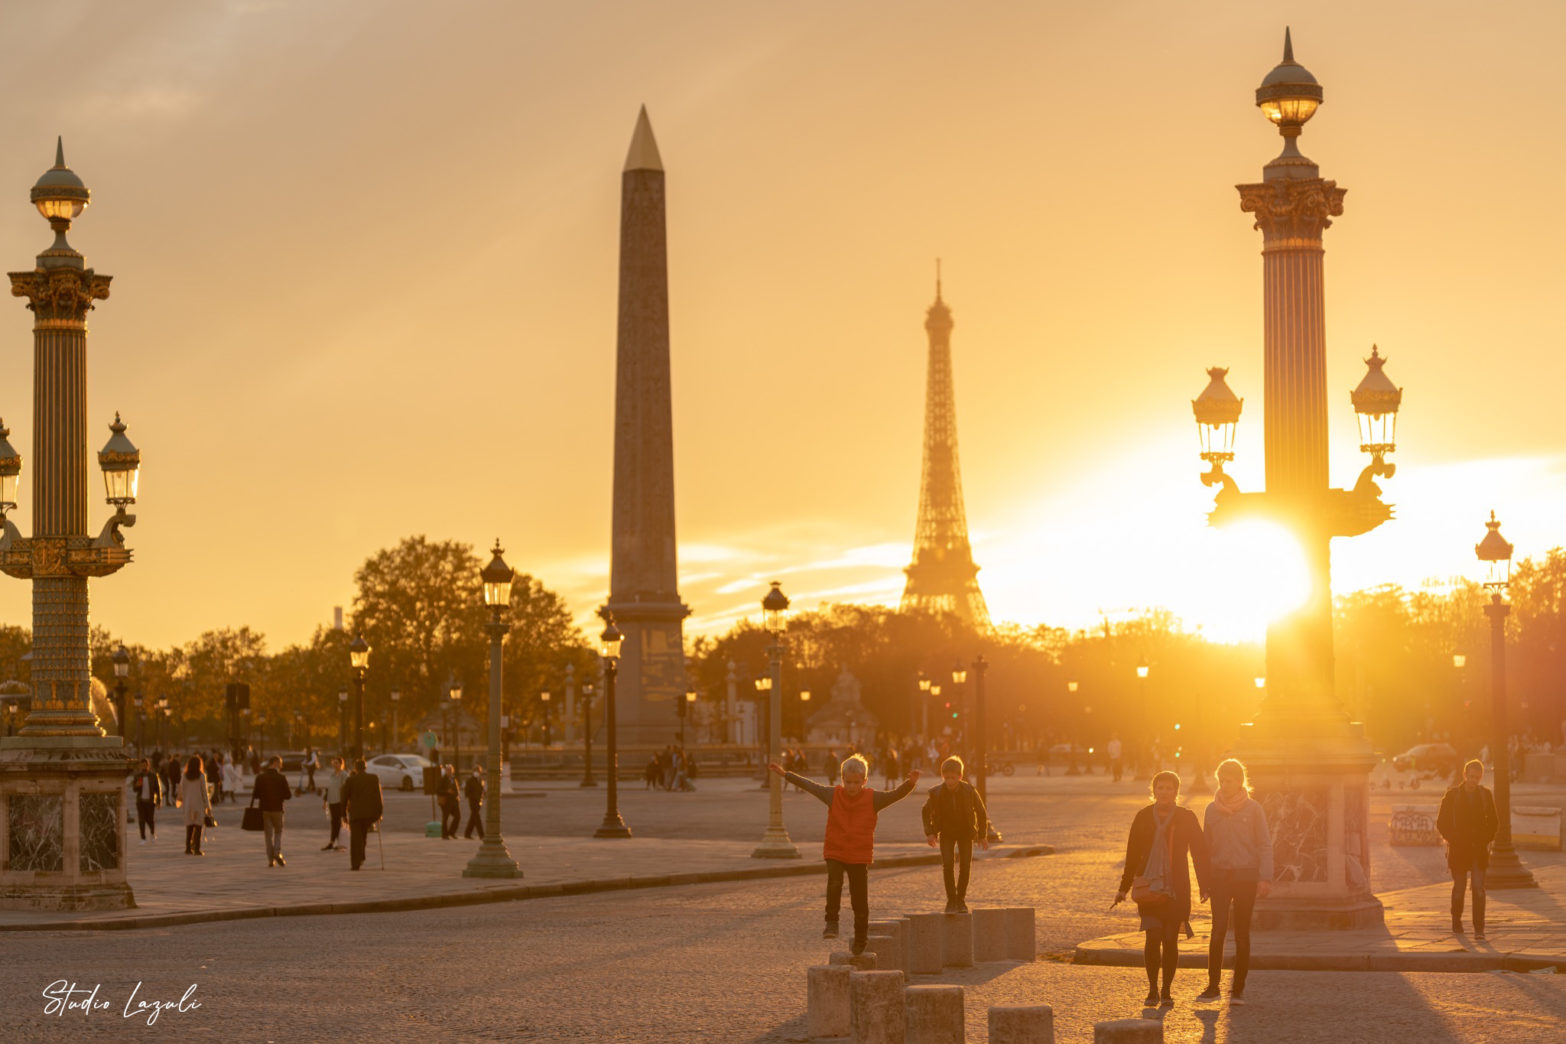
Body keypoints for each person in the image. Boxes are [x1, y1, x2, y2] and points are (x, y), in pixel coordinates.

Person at [770, 754, 920, 955]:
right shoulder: (833, 794)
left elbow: (894, 795)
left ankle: (861, 939)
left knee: (859, 899)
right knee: (834, 882)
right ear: (842, 780)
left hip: (859, 855)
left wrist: (909, 784)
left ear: (864, 781)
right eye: (847, 782)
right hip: (835, 850)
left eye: (856, 783)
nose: (851, 787)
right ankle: (831, 922)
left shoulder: (873, 798)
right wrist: (785, 774)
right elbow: (810, 786)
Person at [1116, 769, 1209, 1009]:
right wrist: (1123, 888)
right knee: (1153, 936)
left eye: (1169, 788)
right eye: (1160, 788)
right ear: (1154, 791)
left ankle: (1167, 990)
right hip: (1148, 885)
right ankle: (1152, 989)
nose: (1164, 792)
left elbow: (1199, 853)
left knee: (1170, 939)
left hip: (1177, 888)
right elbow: (1132, 854)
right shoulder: (1143, 816)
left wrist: (1205, 885)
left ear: (1176, 792)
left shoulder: (1187, 817)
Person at [1200, 758, 1272, 1005]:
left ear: (1240, 781)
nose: (1224, 785)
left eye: (1229, 781)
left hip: (1245, 876)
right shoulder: (1211, 809)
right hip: (1219, 877)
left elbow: (1264, 844)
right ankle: (1212, 987)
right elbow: (1205, 848)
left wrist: (1265, 877)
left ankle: (1238, 989)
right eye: (1221, 781)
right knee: (1217, 930)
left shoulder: (1254, 809)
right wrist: (1204, 882)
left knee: (1241, 933)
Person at [1437, 758, 1499, 940]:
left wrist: (1485, 838)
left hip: (1479, 850)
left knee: (1479, 888)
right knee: (1460, 887)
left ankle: (1479, 928)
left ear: (1481, 777)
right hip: (1458, 849)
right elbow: (1442, 823)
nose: (1473, 781)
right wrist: (1454, 838)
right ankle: (1456, 921)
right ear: (1464, 775)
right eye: (1470, 777)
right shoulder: (1452, 795)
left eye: (1477, 778)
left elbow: (1494, 822)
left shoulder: (1485, 795)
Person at [921, 755, 990, 913]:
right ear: (942, 776)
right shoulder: (936, 793)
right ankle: (951, 900)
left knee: (965, 866)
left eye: (953, 778)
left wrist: (982, 835)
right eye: (946, 778)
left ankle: (961, 900)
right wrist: (930, 833)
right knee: (948, 865)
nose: (949, 782)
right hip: (946, 832)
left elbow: (981, 812)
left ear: (960, 776)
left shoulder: (969, 791)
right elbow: (925, 811)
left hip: (965, 833)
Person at [341, 758, 384, 871]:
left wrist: (343, 814)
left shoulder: (351, 780)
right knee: (363, 836)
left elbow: (344, 797)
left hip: (356, 814)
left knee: (356, 838)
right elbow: (378, 797)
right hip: (369, 814)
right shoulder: (373, 778)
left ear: (355, 768)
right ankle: (361, 856)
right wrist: (379, 812)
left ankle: (356, 863)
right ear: (365, 767)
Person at [251, 754, 293, 867]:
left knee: (268, 835)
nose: (281, 765)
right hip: (278, 809)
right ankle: (277, 852)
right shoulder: (281, 778)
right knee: (278, 831)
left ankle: (270, 860)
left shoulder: (260, 777)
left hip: (264, 809)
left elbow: (255, 795)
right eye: (280, 763)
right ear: (275, 763)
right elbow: (288, 795)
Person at [181, 755, 212, 855]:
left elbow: (182, 791)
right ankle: (197, 849)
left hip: (188, 805)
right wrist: (208, 806)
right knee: (198, 827)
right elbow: (204, 792)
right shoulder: (201, 776)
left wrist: (183, 804)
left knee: (189, 827)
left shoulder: (184, 776)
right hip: (198, 804)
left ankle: (188, 848)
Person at [130, 758, 163, 844]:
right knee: (141, 820)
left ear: (148, 766)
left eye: (145, 765)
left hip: (150, 801)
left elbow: (157, 789)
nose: (143, 767)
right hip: (140, 801)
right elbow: (134, 789)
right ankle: (143, 838)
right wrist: (137, 785)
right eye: (142, 765)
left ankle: (152, 833)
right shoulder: (138, 776)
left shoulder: (153, 776)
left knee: (150, 819)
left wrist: (159, 801)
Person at [321, 756, 348, 851]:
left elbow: (346, 789)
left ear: (341, 764)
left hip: (339, 801)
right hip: (332, 801)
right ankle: (333, 842)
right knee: (334, 822)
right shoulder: (332, 775)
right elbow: (329, 788)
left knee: (339, 823)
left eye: (337, 763)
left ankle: (338, 843)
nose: (335, 765)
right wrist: (325, 801)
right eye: (334, 763)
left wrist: (346, 803)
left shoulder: (344, 775)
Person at [437, 764, 461, 839]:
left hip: (454, 801)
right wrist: (447, 791)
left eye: (450, 770)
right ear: (445, 771)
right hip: (446, 801)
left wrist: (457, 793)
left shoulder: (453, 779)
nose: (449, 771)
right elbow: (438, 790)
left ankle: (452, 832)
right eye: (448, 770)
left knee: (458, 816)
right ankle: (445, 834)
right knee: (445, 818)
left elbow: (457, 789)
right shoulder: (442, 779)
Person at [463, 765, 484, 839]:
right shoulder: (470, 780)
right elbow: (466, 792)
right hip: (472, 801)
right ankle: (481, 835)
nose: (476, 772)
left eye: (478, 771)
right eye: (475, 771)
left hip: (478, 801)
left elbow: (482, 790)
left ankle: (467, 833)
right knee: (477, 818)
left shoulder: (480, 780)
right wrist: (472, 796)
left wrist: (482, 797)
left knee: (473, 818)